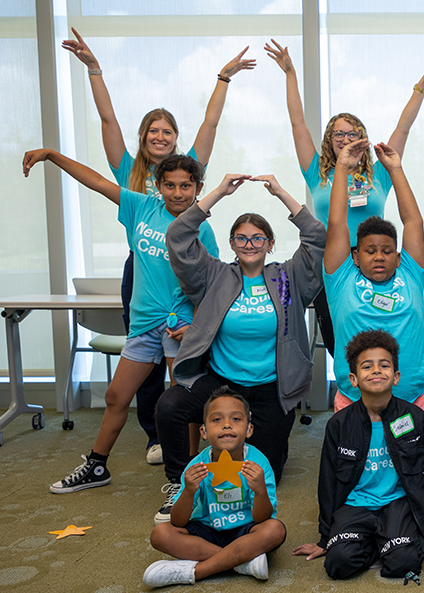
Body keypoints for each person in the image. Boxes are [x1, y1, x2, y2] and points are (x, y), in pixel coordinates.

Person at [63, 28, 254, 463]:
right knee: (143, 357)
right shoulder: (131, 177)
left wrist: (223, 79)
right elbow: (107, 123)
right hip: (144, 268)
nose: (161, 136)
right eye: (153, 130)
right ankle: (153, 436)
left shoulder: (187, 173)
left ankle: (173, 447)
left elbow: (210, 124)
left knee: (178, 371)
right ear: (144, 137)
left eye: (167, 131)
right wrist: (95, 69)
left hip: (182, 273)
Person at [22, 150, 219, 493]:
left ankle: (185, 479)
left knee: (179, 403)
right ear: (157, 186)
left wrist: (197, 328)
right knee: (116, 396)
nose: (177, 193)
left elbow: (212, 287)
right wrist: (52, 156)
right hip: (144, 323)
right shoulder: (140, 208)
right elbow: (96, 182)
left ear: (198, 188)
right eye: (170, 185)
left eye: (185, 186)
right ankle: (97, 465)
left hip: (180, 325)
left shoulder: (202, 228)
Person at [155, 172, 325, 524]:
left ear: (269, 242)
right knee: (169, 406)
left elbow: (317, 237)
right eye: (241, 239)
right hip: (221, 384)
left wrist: (280, 193)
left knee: (265, 474)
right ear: (232, 243)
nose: (249, 244)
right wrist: (217, 193)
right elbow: (178, 237)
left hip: (269, 388)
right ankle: (177, 481)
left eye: (257, 238)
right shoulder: (214, 275)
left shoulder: (287, 277)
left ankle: (267, 437)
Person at [265, 40, 424, 356]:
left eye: (352, 134)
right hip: (332, 265)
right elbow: (298, 124)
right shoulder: (318, 173)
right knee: (343, 343)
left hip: (374, 262)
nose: (345, 139)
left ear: (362, 138)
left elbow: (402, 131)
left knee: (383, 338)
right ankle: (349, 402)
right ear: (329, 140)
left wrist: (421, 87)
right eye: (339, 134)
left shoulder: (379, 175)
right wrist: (290, 73)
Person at [293, 329, 424, 581]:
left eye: (384, 365)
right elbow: (327, 483)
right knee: (338, 564)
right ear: (354, 379)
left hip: (398, 502)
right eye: (367, 366)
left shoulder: (414, 418)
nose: (376, 370)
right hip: (356, 504)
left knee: (404, 563)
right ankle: (380, 543)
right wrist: (326, 538)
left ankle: (389, 542)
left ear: (396, 376)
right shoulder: (339, 424)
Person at [323, 140, 424, 424]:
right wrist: (342, 169)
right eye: (370, 252)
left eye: (387, 251)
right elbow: (336, 222)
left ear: (398, 257)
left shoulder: (409, 274)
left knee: (411, 468)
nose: (379, 257)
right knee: (355, 468)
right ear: (356, 256)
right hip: (354, 401)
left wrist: (395, 169)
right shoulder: (341, 278)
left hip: (411, 401)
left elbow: (413, 223)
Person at [145, 388, 286, 588]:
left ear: (249, 429)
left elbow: (263, 518)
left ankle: (195, 571)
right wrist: (188, 491)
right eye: (217, 420)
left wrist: (260, 491)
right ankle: (241, 563)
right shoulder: (198, 465)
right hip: (207, 531)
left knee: (275, 529)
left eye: (236, 419)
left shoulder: (259, 463)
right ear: (203, 431)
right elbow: (177, 521)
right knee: (160, 534)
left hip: (245, 532)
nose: (227, 425)